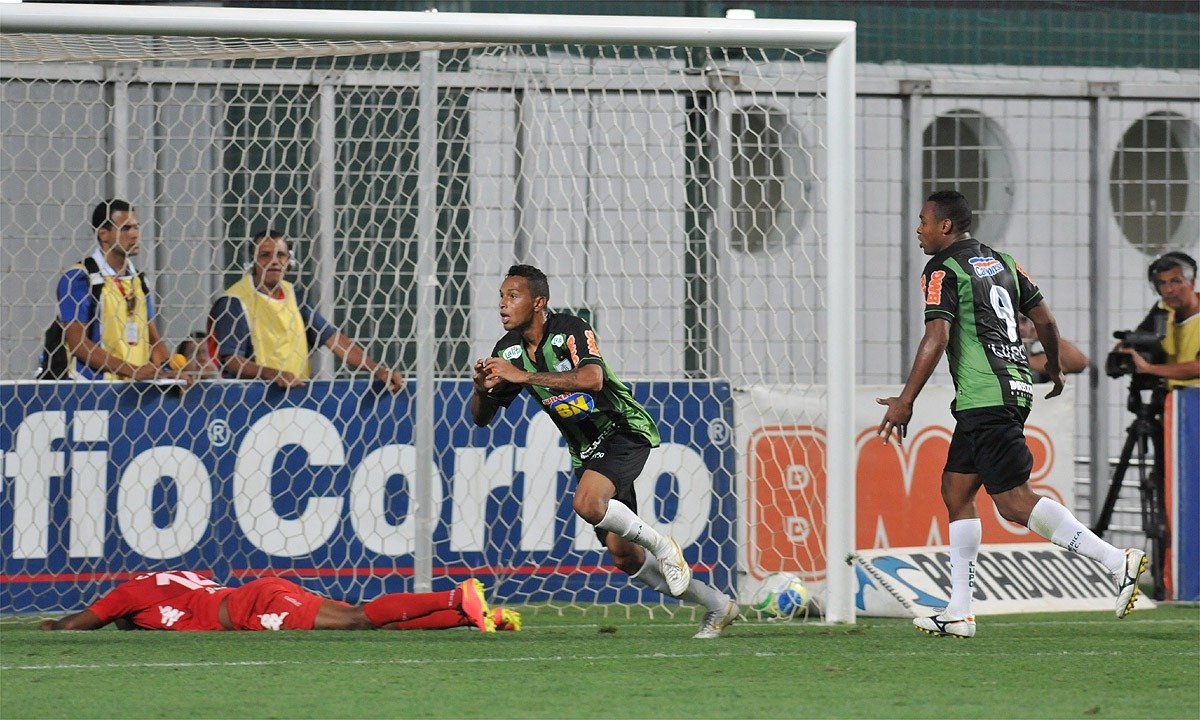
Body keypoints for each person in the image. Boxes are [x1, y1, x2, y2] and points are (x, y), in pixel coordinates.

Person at [876, 190, 1147, 638]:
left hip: (985, 396)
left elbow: (937, 336)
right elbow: (1046, 321)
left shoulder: (942, 269)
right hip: (1009, 388)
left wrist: (906, 399)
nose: (918, 230)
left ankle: (1116, 560)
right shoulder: (1003, 262)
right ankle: (958, 612)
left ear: (945, 226)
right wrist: (1054, 366)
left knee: (1014, 502)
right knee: (956, 491)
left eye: (923, 221)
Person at [470, 264, 739, 639]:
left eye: (513, 296)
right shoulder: (509, 351)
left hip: (622, 429)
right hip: (587, 451)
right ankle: (718, 605)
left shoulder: (569, 330)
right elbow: (481, 419)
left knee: (587, 503)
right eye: (501, 296)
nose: (502, 304)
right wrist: (481, 389)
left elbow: (592, 379)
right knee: (623, 555)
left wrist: (524, 377)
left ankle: (665, 547)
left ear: (539, 302)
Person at [208, 230, 405, 392]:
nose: (274, 261)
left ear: (289, 261)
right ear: (253, 261)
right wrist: (274, 374)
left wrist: (377, 370)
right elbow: (232, 361)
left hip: (297, 395)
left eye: (280, 255)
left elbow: (333, 339)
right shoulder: (234, 301)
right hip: (250, 397)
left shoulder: (294, 295)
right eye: (265, 255)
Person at [38, 570, 520, 633]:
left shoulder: (126, 595)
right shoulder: (179, 579)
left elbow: (75, 626)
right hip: (256, 595)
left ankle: (455, 593)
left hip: (254, 607)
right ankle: (468, 615)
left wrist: (50, 627)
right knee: (370, 627)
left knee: (356, 619)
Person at [52, 199, 181, 381]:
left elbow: (153, 340)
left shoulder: (139, 281)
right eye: (126, 229)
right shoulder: (80, 278)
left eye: (136, 227)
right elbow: (78, 344)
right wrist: (132, 370)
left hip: (135, 389)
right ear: (104, 234)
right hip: (92, 389)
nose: (135, 234)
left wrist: (169, 373)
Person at [1118, 251, 1200, 389]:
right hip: (1172, 398)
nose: (1168, 290)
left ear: (1192, 282)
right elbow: (1137, 341)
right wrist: (1124, 349)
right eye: (1162, 283)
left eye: (1176, 281)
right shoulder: (1162, 312)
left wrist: (1149, 368)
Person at [1018, 313, 1088, 382]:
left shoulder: (1037, 359)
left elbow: (1078, 363)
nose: (1020, 327)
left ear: (1031, 326)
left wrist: (1045, 334)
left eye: (1024, 321)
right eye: (1014, 321)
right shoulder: (1036, 361)